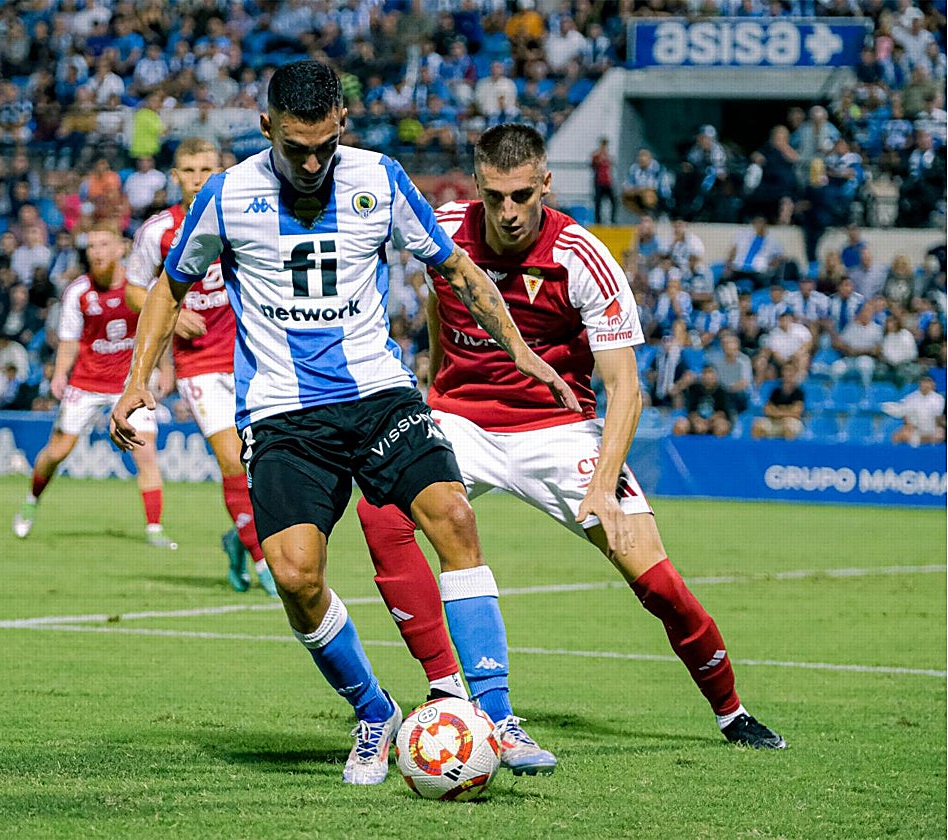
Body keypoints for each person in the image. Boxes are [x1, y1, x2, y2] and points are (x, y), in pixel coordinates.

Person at [110, 62, 579, 785]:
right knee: (297, 577)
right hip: (282, 413)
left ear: (342, 130)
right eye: (295, 147)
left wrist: (522, 352)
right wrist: (135, 381)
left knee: (452, 517)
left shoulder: (379, 179)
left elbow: (455, 269)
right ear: (266, 128)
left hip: (378, 396)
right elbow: (169, 289)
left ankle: (496, 715)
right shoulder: (227, 195)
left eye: (324, 146)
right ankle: (372, 711)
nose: (310, 162)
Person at [353, 123, 785, 750]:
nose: (508, 211)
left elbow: (626, 388)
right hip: (459, 419)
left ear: (546, 185)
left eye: (523, 195)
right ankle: (448, 686)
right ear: (476, 186)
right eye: (496, 195)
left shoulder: (581, 256)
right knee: (379, 513)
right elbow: (438, 307)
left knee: (657, 581)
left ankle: (731, 712)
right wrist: (434, 386)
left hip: (560, 429)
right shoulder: (440, 226)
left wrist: (604, 487)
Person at [126, 137, 277, 596]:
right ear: (175, 177)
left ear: (221, 169)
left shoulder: (242, 215)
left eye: (207, 170)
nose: (198, 179)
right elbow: (135, 289)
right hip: (201, 366)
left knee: (267, 465)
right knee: (232, 461)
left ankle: (239, 536)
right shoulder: (158, 231)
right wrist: (173, 317)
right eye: (189, 171)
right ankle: (264, 563)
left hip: (255, 354)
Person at [13, 221, 177, 549]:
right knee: (57, 452)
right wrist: (60, 374)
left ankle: (154, 528)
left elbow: (159, 326)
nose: (97, 252)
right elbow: (69, 340)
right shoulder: (78, 291)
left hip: (130, 383)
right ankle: (31, 499)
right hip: (86, 383)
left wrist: (165, 367)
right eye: (91, 246)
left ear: (120, 249)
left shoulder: (139, 287)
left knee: (145, 454)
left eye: (104, 245)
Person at [884, 374, 947, 446]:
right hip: (915, 429)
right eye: (924, 382)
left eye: (928, 382)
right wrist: (908, 425)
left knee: (940, 434)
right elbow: (905, 416)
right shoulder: (911, 398)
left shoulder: (939, 399)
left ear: (933, 384)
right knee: (897, 436)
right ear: (920, 383)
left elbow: (939, 419)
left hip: (932, 429)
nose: (926, 384)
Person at [752, 362, 806, 440]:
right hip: (775, 421)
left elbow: (796, 413)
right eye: (786, 371)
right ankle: (758, 451)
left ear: (795, 373)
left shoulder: (799, 392)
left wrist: (777, 411)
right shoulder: (776, 392)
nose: (788, 374)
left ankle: (787, 451)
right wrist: (786, 410)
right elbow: (767, 410)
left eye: (790, 371)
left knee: (788, 425)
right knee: (757, 425)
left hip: (792, 422)